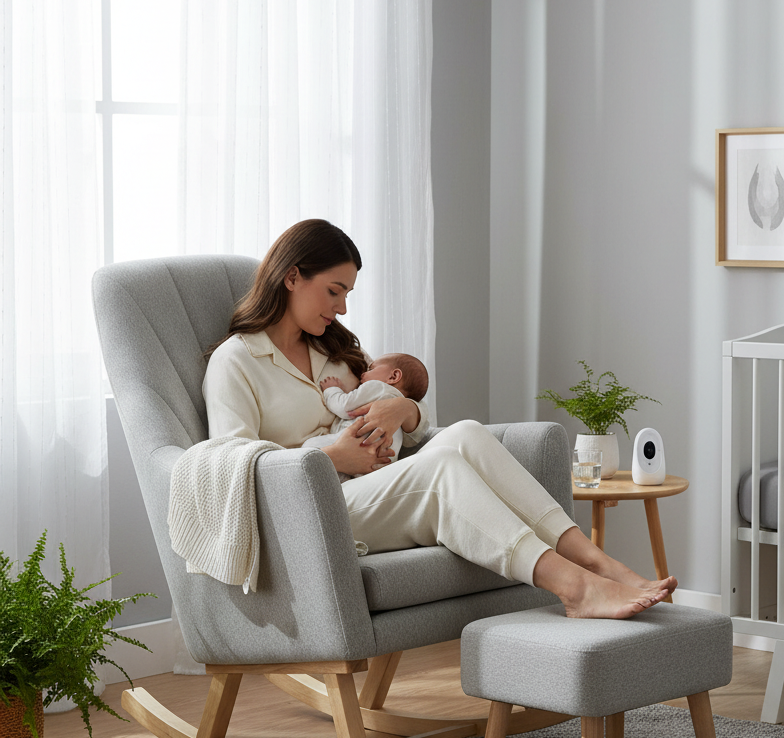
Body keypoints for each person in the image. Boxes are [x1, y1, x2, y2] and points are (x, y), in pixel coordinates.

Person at [203, 218, 676, 619]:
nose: (342, 307)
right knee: (443, 470)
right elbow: (230, 468)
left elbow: (416, 436)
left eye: (346, 293)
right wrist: (333, 456)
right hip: (311, 511)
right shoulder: (236, 361)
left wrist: (404, 409)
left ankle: (599, 564)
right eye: (334, 290)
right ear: (292, 278)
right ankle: (575, 588)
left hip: (373, 489)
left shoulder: (332, 352)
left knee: (466, 432)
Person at [300, 353, 429, 475]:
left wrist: (331, 390)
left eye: (370, 368)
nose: (363, 373)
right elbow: (415, 436)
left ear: (393, 377)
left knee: (309, 448)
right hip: (383, 465)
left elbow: (345, 407)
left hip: (357, 447)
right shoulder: (395, 403)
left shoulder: (378, 387)